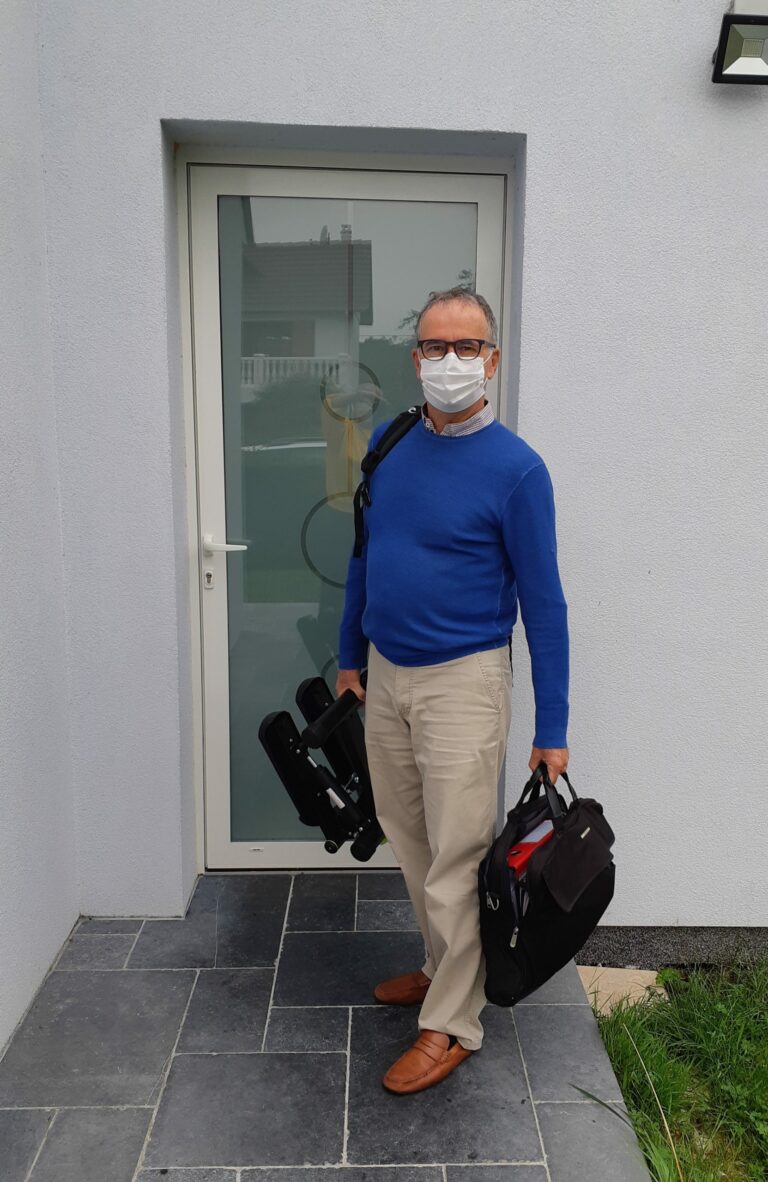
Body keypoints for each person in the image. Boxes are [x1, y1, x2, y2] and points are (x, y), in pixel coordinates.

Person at [336, 286, 570, 1095]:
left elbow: (545, 604)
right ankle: (443, 967)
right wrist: (350, 656)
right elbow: (364, 555)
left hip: (463, 684)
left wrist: (552, 725)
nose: (449, 361)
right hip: (388, 675)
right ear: (416, 359)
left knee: (459, 857)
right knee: (412, 842)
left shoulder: (517, 471)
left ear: (491, 361)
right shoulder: (392, 442)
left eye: (466, 347)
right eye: (435, 346)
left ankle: (453, 1024)